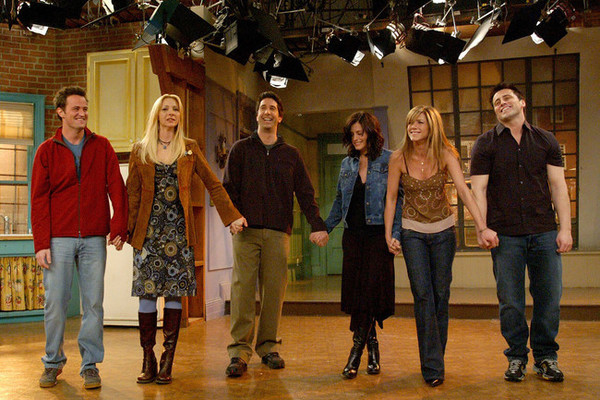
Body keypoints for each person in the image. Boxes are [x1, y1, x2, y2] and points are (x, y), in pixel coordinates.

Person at [126, 94, 245, 384]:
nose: (171, 113)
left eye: (176, 109)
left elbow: (213, 184)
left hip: (179, 234)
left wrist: (231, 216)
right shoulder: (140, 149)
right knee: (146, 295)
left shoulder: (189, 148)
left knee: (174, 295)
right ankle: (148, 359)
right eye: (165, 109)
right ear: (156, 114)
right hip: (148, 235)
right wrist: (124, 232)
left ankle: (167, 360)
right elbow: (132, 194)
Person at [384, 105, 497, 387]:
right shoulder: (398, 158)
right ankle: (433, 366)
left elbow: (464, 192)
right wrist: (388, 234)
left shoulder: (446, 154)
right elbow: (391, 198)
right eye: (410, 123)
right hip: (412, 233)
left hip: (444, 233)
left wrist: (481, 226)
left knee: (440, 294)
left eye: (419, 123)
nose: (413, 127)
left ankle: (435, 358)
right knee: (423, 296)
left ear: (432, 126)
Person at [470, 83, 572, 383]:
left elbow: (558, 187)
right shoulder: (485, 143)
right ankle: (516, 357)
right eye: (496, 102)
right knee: (511, 302)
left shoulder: (545, 140)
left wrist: (565, 229)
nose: (502, 103)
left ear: (522, 102)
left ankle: (546, 357)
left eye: (507, 98)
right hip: (505, 235)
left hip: (544, 232)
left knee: (549, 299)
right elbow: (479, 190)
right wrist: (482, 227)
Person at [223, 91, 329, 377]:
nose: (267, 112)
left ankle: (268, 346)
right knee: (243, 291)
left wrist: (317, 224)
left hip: (278, 233)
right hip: (246, 232)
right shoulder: (240, 149)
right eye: (263, 108)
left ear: (280, 117)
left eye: (272, 108)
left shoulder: (291, 154)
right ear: (257, 115)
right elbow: (228, 188)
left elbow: (305, 193)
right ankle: (239, 351)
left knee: (274, 292)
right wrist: (231, 217)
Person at [31, 86, 128, 390]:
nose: (82, 113)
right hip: (58, 238)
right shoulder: (46, 151)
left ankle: (90, 366)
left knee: (93, 304)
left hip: (94, 237)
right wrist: (41, 243)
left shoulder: (102, 146)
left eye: (85, 108)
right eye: (76, 109)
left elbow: (117, 187)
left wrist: (118, 225)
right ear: (61, 112)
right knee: (55, 304)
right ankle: (52, 362)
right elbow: (38, 199)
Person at [324, 111, 403, 379]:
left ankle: (355, 352)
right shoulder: (347, 164)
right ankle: (373, 346)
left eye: (361, 133)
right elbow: (339, 201)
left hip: (379, 237)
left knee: (371, 292)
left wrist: (396, 234)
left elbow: (398, 200)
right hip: (353, 238)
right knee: (359, 296)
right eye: (353, 134)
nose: (356, 138)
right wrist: (323, 227)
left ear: (371, 132)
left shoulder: (390, 159)